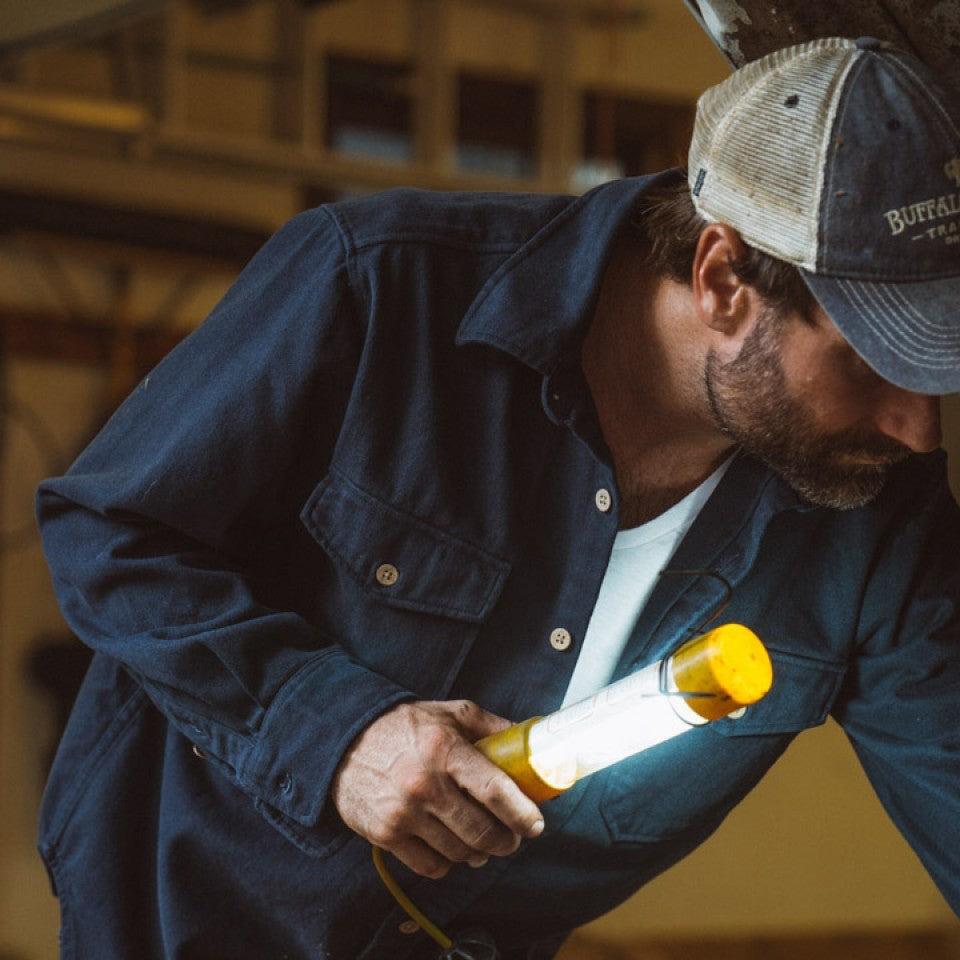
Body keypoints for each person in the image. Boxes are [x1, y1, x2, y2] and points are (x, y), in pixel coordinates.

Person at [35, 36, 960, 960]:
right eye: (874, 362)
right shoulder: (376, 286)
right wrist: (335, 734)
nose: (920, 430)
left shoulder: (874, 500)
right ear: (723, 280)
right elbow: (110, 533)